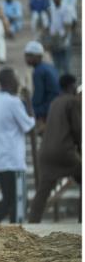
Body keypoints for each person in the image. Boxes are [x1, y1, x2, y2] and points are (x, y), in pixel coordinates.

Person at [0, 67, 35, 223]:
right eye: (17, 79)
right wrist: (29, 101)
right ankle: (8, 233)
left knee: (9, 201)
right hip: (11, 162)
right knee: (18, 203)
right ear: (11, 82)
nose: (19, 82)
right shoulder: (13, 102)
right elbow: (29, 125)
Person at [28, 74, 81, 223]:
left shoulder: (55, 102)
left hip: (45, 153)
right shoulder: (73, 101)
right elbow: (78, 130)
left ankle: (32, 224)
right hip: (64, 152)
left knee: (42, 192)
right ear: (72, 86)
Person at [24, 40, 60, 127]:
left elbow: (38, 97)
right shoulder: (48, 66)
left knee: (24, 107)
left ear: (37, 56)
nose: (26, 59)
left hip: (50, 105)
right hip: (55, 102)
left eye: (29, 56)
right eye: (26, 56)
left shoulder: (38, 71)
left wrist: (30, 107)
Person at [45, 0, 75, 75]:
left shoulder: (66, 9)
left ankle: (68, 83)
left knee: (65, 64)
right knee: (56, 63)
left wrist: (63, 39)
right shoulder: (51, 9)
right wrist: (49, 39)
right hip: (54, 38)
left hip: (63, 39)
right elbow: (48, 25)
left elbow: (68, 26)